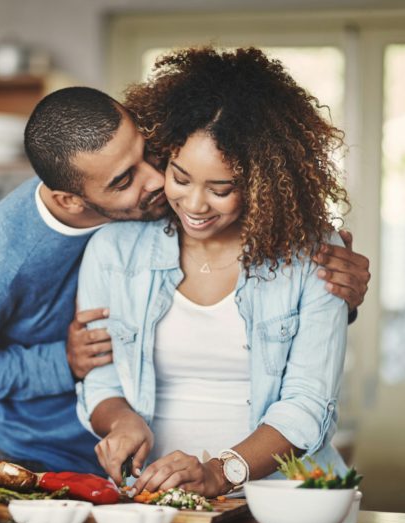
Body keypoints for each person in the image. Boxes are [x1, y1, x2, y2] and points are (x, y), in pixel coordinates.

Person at [0, 84, 370, 474]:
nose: (157, 181)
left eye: (149, 151)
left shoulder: (164, 193)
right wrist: (62, 363)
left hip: (155, 469)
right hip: (51, 456)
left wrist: (332, 293)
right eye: (125, 179)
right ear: (72, 201)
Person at [76, 47, 352, 496]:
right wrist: (121, 420)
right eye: (180, 178)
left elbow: (308, 403)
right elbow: (101, 374)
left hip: (283, 503)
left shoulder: (316, 256)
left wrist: (220, 472)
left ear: (264, 183)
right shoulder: (114, 250)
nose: (195, 205)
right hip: (158, 501)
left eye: (221, 189)